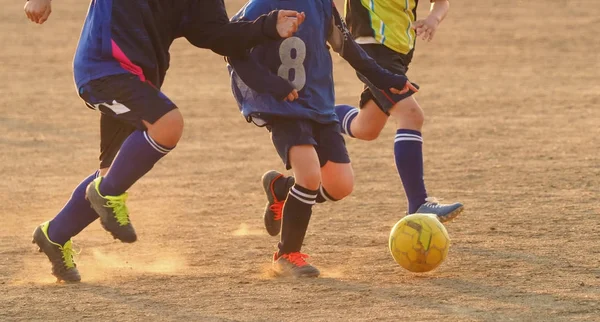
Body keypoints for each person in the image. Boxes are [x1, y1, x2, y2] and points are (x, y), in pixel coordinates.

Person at [24, 0, 305, 283]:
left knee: (113, 172)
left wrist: (268, 27)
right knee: (168, 125)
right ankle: (107, 194)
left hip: (140, 79)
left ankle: (54, 235)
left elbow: (215, 34)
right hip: (103, 67)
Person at [228, 0, 418, 277]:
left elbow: (348, 48)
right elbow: (232, 50)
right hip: (282, 106)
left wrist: (387, 78)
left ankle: (281, 190)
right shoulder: (260, 6)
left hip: (319, 103)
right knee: (309, 176)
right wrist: (271, 85)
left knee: (340, 185)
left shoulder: (321, 4)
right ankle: (287, 255)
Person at [333, 0, 464, 220]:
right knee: (411, 115)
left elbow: (441, 3)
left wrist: (433, 19)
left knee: (367, 128)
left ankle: (315, 114)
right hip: (370, 46)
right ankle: (418, 204)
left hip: (399, 51)